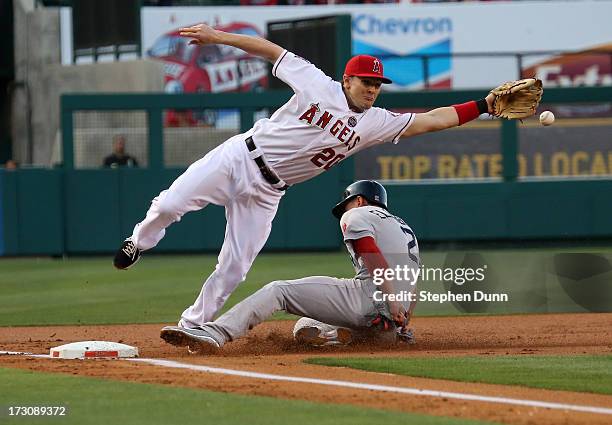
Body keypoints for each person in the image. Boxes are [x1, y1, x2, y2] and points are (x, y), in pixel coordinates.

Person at [113, 23, 496, 331]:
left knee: (235, 266)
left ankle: (193, 324)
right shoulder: (317, 83)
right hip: (240, 158)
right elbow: (269, 50)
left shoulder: (376, 122)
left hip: (269, 192)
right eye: (366, 82)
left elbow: (431, 120)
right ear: (347, 80)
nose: (372, 89)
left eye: (377, 84)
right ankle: (138, 242)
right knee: (169, 203)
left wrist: (483, 106)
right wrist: (218, 38)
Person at [160, 180, 419, 352]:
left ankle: (214, 334)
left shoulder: (357, 214)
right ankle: (353, 336)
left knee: (279, 290)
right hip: (391, 321)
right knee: (305, 327)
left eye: (346, 205)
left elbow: (372, 256)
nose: (344, 211)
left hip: (374, 299)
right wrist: (403, 318)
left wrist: (391, 299)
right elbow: (415, 280)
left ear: (360, 201)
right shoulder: (403, 227)